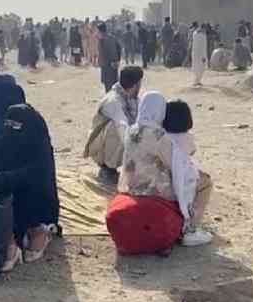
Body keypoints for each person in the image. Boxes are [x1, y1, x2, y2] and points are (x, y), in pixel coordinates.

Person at [112, 92, 213, 253]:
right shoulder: (158, 135)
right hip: (156, 190)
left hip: (132, 185)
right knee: (201, 181)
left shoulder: (131, 130)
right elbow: (176, 164)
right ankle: (191, 230)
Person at [0, 104, 60, 272]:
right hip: (9, 197)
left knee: (29, 189)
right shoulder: (6, 140)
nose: (12, 130)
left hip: (37, 202)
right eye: (9, 125)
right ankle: (11, 242)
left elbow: (31, 174)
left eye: (17, 126)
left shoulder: (40, 147)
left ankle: (40, 231)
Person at [84, 66, 143, 182]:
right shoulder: (113, 100)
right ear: (136, 85)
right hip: (100, 146)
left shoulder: (131, 98)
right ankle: (107, 169)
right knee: (116, 128)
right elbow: (122, 128)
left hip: (121, 141)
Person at [98, 23, 122, 92]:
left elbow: (102, 53)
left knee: (107, 84)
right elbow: (119, 48)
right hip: (114, 64)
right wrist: (117, 60)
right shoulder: (113, 38)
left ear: (100, 31)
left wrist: (101, 62)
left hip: (106, 65)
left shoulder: (102, 40)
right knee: (114, 83)